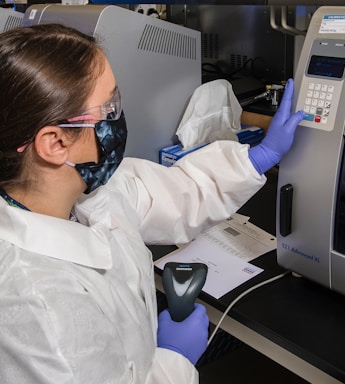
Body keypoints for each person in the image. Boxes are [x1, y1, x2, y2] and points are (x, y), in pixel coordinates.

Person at [0, 23, 304, 384]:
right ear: (55, 144)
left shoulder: (83, 194)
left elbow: (174, 192)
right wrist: (173, 361)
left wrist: (256, 159)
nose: (119, 115)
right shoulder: (38, 306)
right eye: (109, 108)